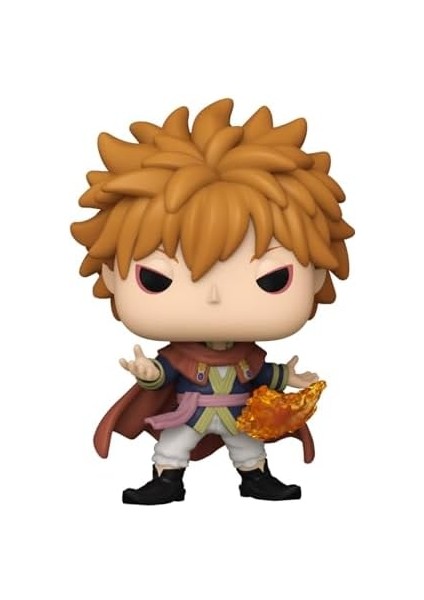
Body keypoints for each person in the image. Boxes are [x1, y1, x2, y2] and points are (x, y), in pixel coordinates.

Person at [71, 99, 354, 504]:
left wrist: (289, 377)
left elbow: (262, 373)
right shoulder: (182, 355)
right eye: (157, 278)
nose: (215, 297)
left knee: (249, 448)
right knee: (173, 446)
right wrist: (149, 373)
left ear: (319, 276)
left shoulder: (246, 356)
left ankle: (256, 480)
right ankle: (167, 481)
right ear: (110, 276)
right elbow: (164, 375)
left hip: (239, 413)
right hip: (191, 412)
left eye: (273, 278)